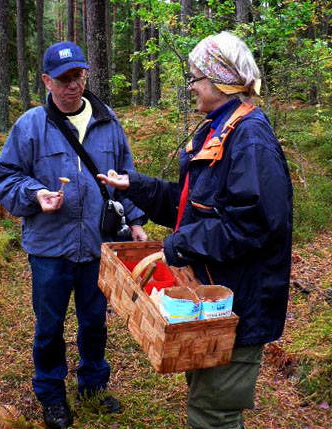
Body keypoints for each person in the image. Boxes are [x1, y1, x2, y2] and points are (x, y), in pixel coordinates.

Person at [98, 31, 293, 429]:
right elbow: (190, 207)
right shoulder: (217, 129)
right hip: (210, 298)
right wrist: (133, 185)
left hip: (240, 305)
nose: (192, 88)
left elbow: (251, 224)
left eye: (196, 79)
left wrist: (174, 247)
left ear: (219, 81)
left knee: (213, 414)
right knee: (205, 398)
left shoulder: (250, 139)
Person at [0, 41, 147, 429]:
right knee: (49, 325)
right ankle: (51, 394)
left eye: (78, 76)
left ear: (86, 75)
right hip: (49, 248)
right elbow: (5, 179)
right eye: (63, 79)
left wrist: (138, 223)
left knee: (95, 320)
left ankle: (93, 385)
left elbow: (124, 180)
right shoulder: (30, 125)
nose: (72, 86)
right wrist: (34, 194)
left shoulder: (108, 122)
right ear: (46, 80)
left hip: (98, 247)